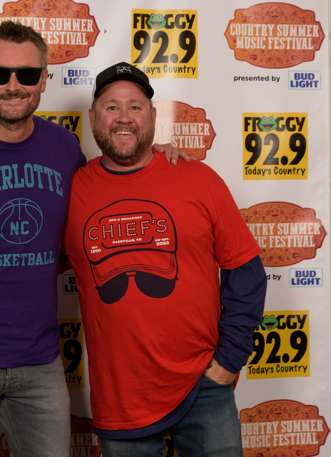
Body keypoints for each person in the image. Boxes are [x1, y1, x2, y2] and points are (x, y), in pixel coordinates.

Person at [0, 22, 186, 457]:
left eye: (26, 74)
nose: (13, 86)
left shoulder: (63, 147)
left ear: (43, 79)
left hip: (40, 359)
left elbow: (101, 207)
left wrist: (156, 158)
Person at [59, 63, 267, 456]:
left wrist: (229, 360)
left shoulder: (198, 179)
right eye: (111, 107)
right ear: (92, 117)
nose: (124, 118)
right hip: (121, 397)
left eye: (135, 107)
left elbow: (246, 271)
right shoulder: (72, 190)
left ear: (153, 116)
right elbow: (27, 260)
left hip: (204, 385)